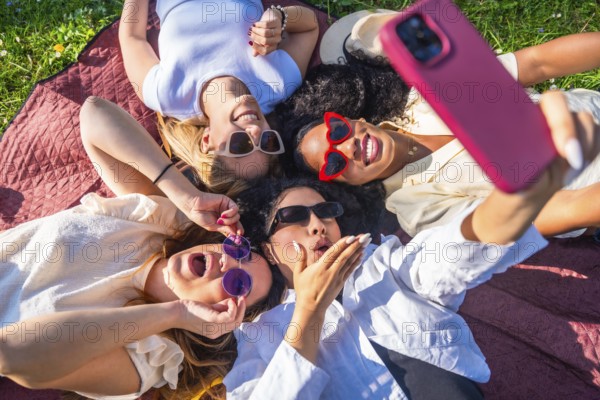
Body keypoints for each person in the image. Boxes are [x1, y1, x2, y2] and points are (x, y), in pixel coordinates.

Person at [222, 90, 600, 399]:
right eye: (294, 218)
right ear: (267, 249)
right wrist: (309, 311)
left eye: (325, 210)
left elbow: (465, 244)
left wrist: (533, 189)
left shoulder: (384, 264)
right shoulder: (260, 337)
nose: (318, 224)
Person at [0, 97, 287, 400]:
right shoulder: (160, 224)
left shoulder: (150, 356)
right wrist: (184, 195)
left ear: (225, 315)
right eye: (239, 251)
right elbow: (94, 113)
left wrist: (176, 313)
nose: (227, 262)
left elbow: (10, 352)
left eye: (238, 283)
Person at [284, 18, 600, 237]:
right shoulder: (416, 208)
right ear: (346, 186)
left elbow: (536, 64)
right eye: (335, 162)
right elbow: (548, 214)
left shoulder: (428, 95)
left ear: (356, 120)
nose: (347, 147)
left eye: (337, 131)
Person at [118, 0, 319, 184]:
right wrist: (281, 17)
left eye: (241, 145)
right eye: (267, 142)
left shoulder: (166, 94)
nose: (256, 131)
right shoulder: (278, 83)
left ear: (207, 140)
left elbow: (132, 38)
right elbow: (310, 27)